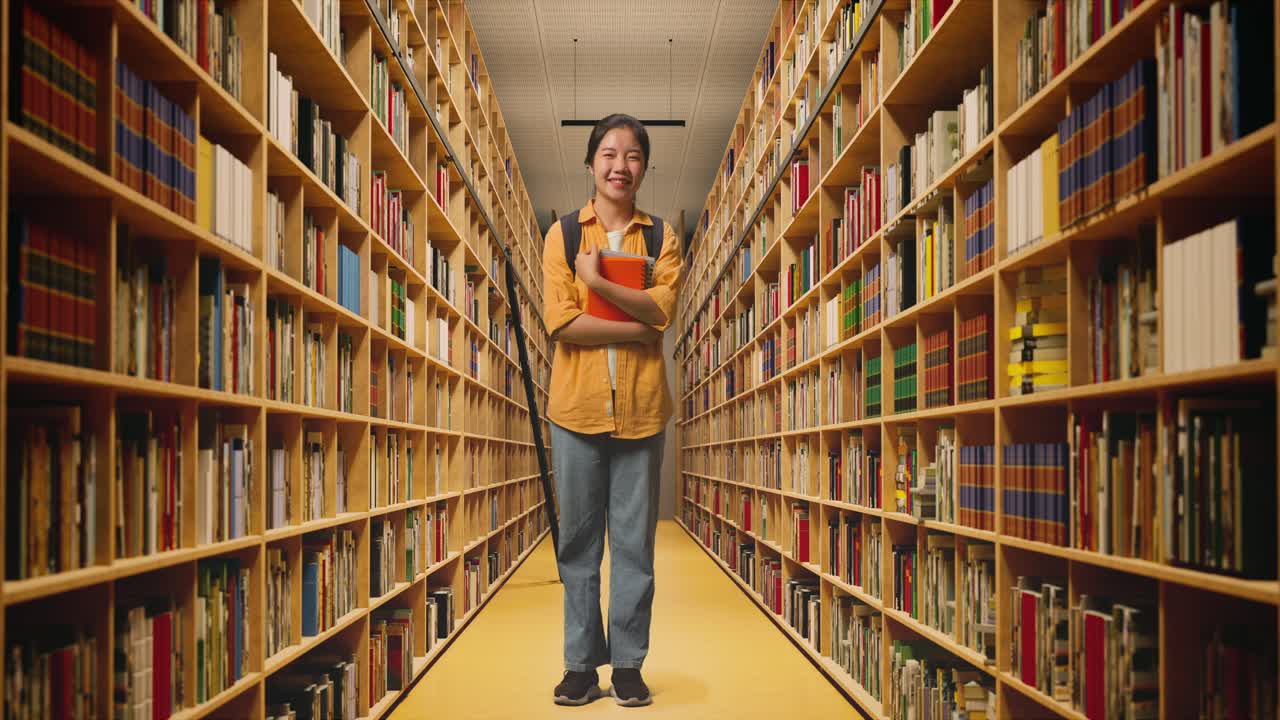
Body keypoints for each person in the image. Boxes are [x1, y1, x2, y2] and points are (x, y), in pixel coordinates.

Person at [541, 113, 683, 707]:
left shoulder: (663, 238)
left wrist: (594, 279)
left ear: (644, 167)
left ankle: (627, 664)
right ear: (591, 162)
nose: (619, 165)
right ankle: (580, 666)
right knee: (577, 545)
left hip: (643, 413)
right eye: (608, 153)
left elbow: (665, 313)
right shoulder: (565, 234)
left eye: (631, 155)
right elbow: (562, 324)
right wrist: (636, 320)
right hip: (574, 411)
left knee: (634, 548)